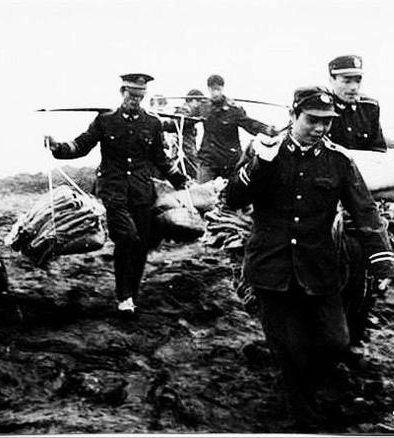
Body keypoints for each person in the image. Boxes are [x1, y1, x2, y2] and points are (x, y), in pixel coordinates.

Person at [226, 86, 394, 423]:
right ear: (293, 116)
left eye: (326, 122)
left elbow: (365, 212)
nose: (320, 128)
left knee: (336, 342)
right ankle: (303, 419)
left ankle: (312, 392)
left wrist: (383, 263)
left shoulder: (339, 161)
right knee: (289, 351)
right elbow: (233, 198)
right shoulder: (265, 151)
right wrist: (260, 164)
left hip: (319, 268)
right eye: (312, 120)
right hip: (271, 268)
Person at [45, 74, 188, 316]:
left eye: (140, 96)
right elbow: (81, 145)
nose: (135, 100)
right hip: (113, 191)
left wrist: (180, 180)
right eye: (131, 96)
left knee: (141, 245)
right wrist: (58, 147)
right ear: (122, 92)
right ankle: (123, 295)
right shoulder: (105, 120)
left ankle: (132, 294)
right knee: (127, 237)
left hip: (142, 192)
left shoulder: (152, 123)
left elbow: (160, 158)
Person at [327, 55, 394, 346]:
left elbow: (377, 153)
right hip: (327, 197)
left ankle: (357, 330)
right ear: (332, 80)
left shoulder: (370, 108)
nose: (353, 86)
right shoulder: (320, 109)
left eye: (357, 80)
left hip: (363, 197)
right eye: (346, 80)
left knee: (377, 255)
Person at [196, 74, 276, 183]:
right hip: (208, 160)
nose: (215, 93)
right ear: (208, 89)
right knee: (203, 191)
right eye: (212, 90)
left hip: (229, 160)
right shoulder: (203, 107)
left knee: (232, 191)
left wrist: (267, 130)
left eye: (218, 89)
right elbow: (185, 117)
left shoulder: (233, 109)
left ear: (222, 89)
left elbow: (250, 124)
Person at [158, 88, 204, 179]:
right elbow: (177, 123)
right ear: (193, 101)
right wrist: (196, 118)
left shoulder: (189, 112)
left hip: (186, 150)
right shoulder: (184, 111)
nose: (200, 105)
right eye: (199, 102)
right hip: (184, 151)